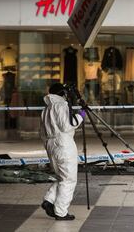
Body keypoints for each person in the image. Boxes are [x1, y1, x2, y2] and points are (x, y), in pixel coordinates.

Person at [40, 83, 85, 221]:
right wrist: (81, 116)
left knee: (62, 178)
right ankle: (61, 212)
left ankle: (49, 200)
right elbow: (67, 125)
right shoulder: (61, 106)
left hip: (51, 146)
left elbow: (42, 132)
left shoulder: (46, 109)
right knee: (69, 179)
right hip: (63, 145)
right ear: (62, 93)